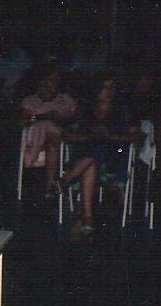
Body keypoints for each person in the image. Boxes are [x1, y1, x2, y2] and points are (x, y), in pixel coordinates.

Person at [59, 76, 141, 239]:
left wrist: (110, 135)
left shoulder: (123, 111)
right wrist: (89, 136)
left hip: (114, 156)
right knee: (92, 159)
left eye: (112, 86)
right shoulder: (86, 111)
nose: (109, 91)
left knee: (96, 152)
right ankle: (88, 218)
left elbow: (137, 137)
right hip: (88, 156)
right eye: (105, 86)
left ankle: (66, 179)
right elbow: (67, 134)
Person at [20, 69, 79, 196]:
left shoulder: (65, 100)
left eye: (57, 80)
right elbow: (23, 121)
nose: (54, 83)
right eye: (51, 79)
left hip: (58, 138)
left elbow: (70, 119)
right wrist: (45, 117)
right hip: (34, 138)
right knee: (45, 125)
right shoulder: (31, 100)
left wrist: (53, 118)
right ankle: (51, 183)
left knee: (52, 134)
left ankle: (50, 184)